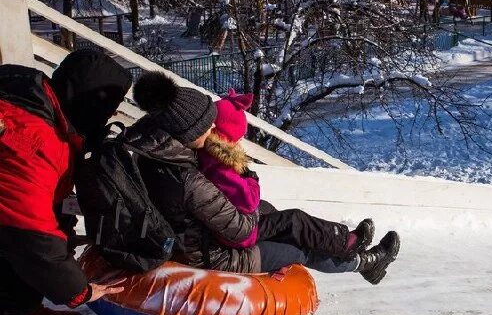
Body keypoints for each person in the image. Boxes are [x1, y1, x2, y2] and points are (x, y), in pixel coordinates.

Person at [126, 72, 401, 284]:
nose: (213, 127)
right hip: (214, 254)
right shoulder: (185, 177)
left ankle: (352, 250)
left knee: (280, 217)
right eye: (206, 125)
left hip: (195, 238)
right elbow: (242, 233)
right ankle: (365, 263)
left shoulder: (158, 153)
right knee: (297, 244)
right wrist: (248, 177)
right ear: (186, 131)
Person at [0, 50, 130, 315]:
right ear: (89, 102)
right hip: (25, 234)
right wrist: (79, 291)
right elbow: (34, 240)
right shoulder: (32, 143)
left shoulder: (29, 103)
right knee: (22, 283)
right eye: (109, 107)